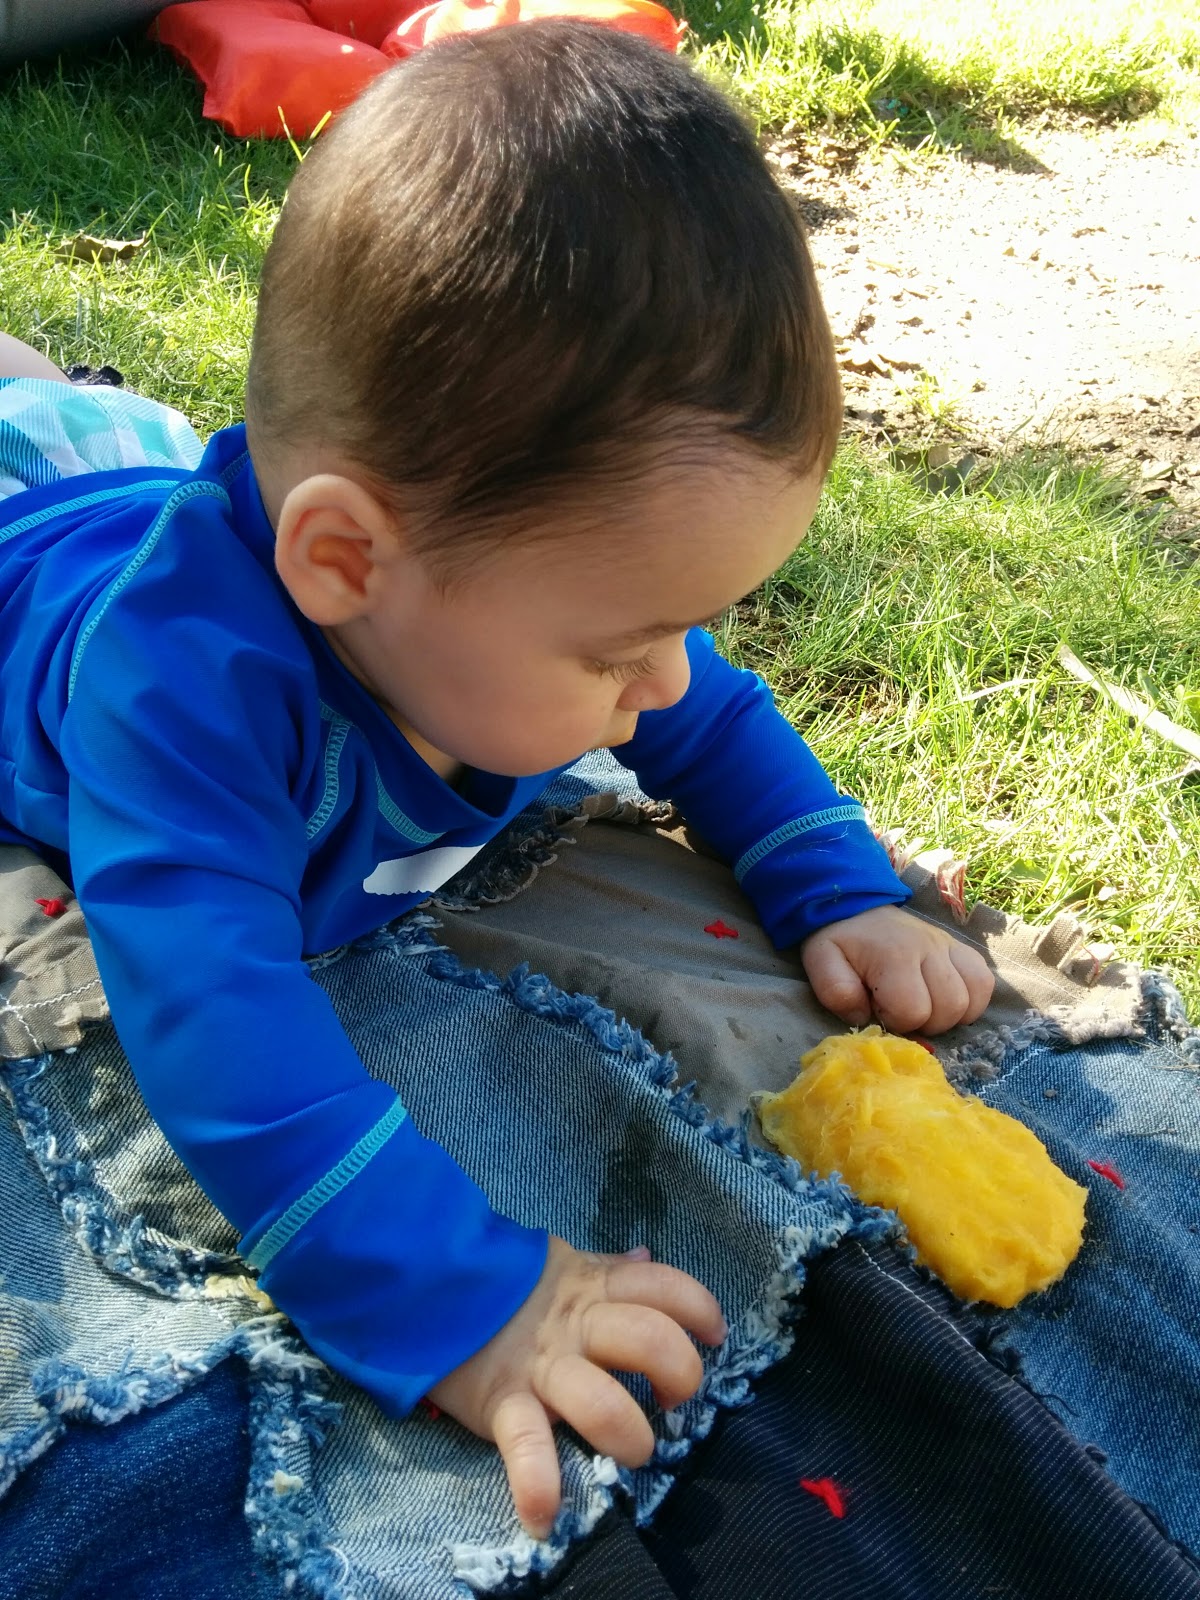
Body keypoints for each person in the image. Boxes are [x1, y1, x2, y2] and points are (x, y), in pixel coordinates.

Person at [0, 23, 993, 1539]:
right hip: (40, 563)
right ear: (345, 562)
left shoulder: (465, 601)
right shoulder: (175, 696)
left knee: (72, 428)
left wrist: (837, 883)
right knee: (42, 437)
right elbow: (212, 1014)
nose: (665, 684)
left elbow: (714, 719)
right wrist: (459, 1298)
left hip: (140, 483)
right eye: (621, 646)